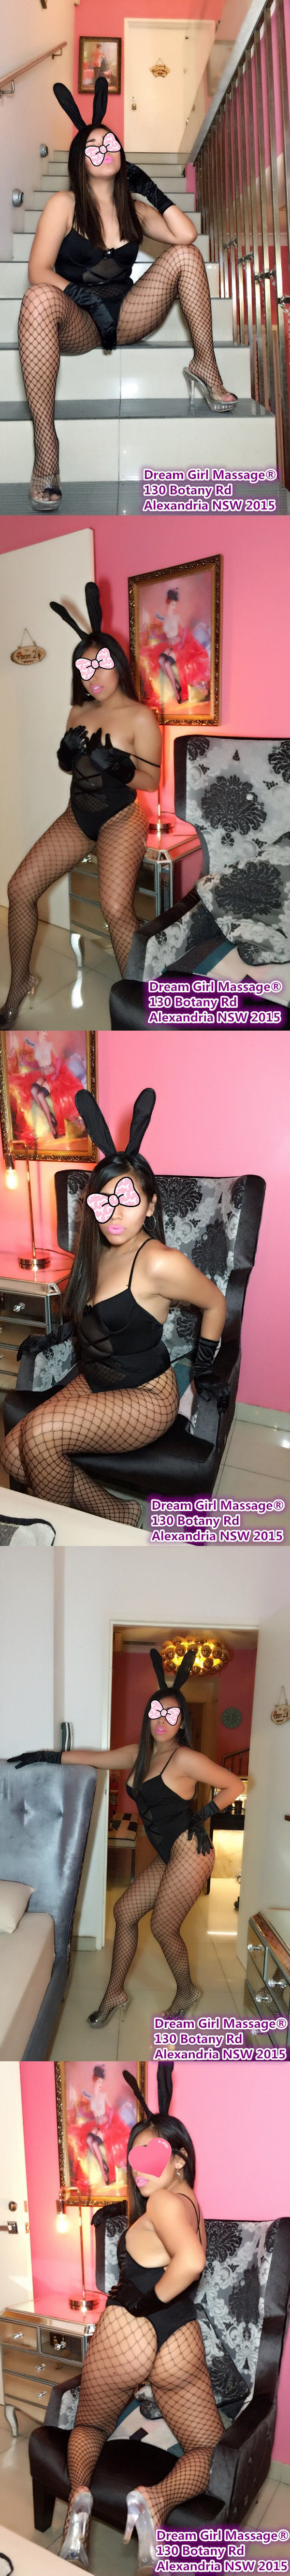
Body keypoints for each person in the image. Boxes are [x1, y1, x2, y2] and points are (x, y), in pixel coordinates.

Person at [0, 1087, 227, 1523]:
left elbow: (216, 1303)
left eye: (128, 1200)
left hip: (146, 1397)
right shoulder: (98, 1250)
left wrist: (202, 1372)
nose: (115, 1214)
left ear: (151, 1205)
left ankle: (61, 1546)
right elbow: (93, 1318)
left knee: (41, 1436)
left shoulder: (160, 1262)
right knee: (13, 1453)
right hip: (97, 1381)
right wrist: (56, 1335)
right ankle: (118, 1513)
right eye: (104, 1201)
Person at [17, 70, 236, 514]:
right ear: (80, 161)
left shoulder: (133, 207)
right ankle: (46, 447)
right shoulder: (64, 204)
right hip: (79, 321)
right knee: (37, 298)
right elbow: (38, 271)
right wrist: (84, 299)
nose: (105, 150)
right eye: (94, 147)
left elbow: (186, 234)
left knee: (187, 255)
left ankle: (205, 366)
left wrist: (149, 187)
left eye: (111, 143)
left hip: (130, 312)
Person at [58, 2063, 225, 2571]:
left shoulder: (164, 2204)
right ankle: (154, 2499)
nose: (139, 2167)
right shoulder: (190, 2203)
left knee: (90, 2426)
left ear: (180, 2158)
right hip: (180, 2337)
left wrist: (145, 2305)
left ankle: (79, 2502)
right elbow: (185, 2258)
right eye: (135, 2158)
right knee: (206, 2450)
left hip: (131, 2326)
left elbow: (190, 2262)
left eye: (152, 2154)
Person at [0, 583, 161, 1026]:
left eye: (101, 664)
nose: (94, 675)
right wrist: (65, 756)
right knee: (19, 889)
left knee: (116, 910)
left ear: (117, 663)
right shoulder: (78, 711)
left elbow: (152, 780)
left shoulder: (141, 717)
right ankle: (19, 984)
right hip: (78, 815)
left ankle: (142, 1009)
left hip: (121, 817)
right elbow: (71, 767)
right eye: (85, 667)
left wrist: (123, 770)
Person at [79, 1645, 248, 2022]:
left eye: (172, 1715)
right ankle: (115, 1993)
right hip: (169, 1853)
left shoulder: (185, 1757)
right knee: (125, 1912)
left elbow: (234, 1785)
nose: (163, 1719)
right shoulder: (138, 1754)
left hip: (192, 1852)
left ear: (182, 1723)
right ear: (149, 1715)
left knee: (163, 1927)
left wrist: (202, 1816)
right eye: (157, 1711)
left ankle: (187, 1991)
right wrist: (48, 1757)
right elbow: (93, 1758)